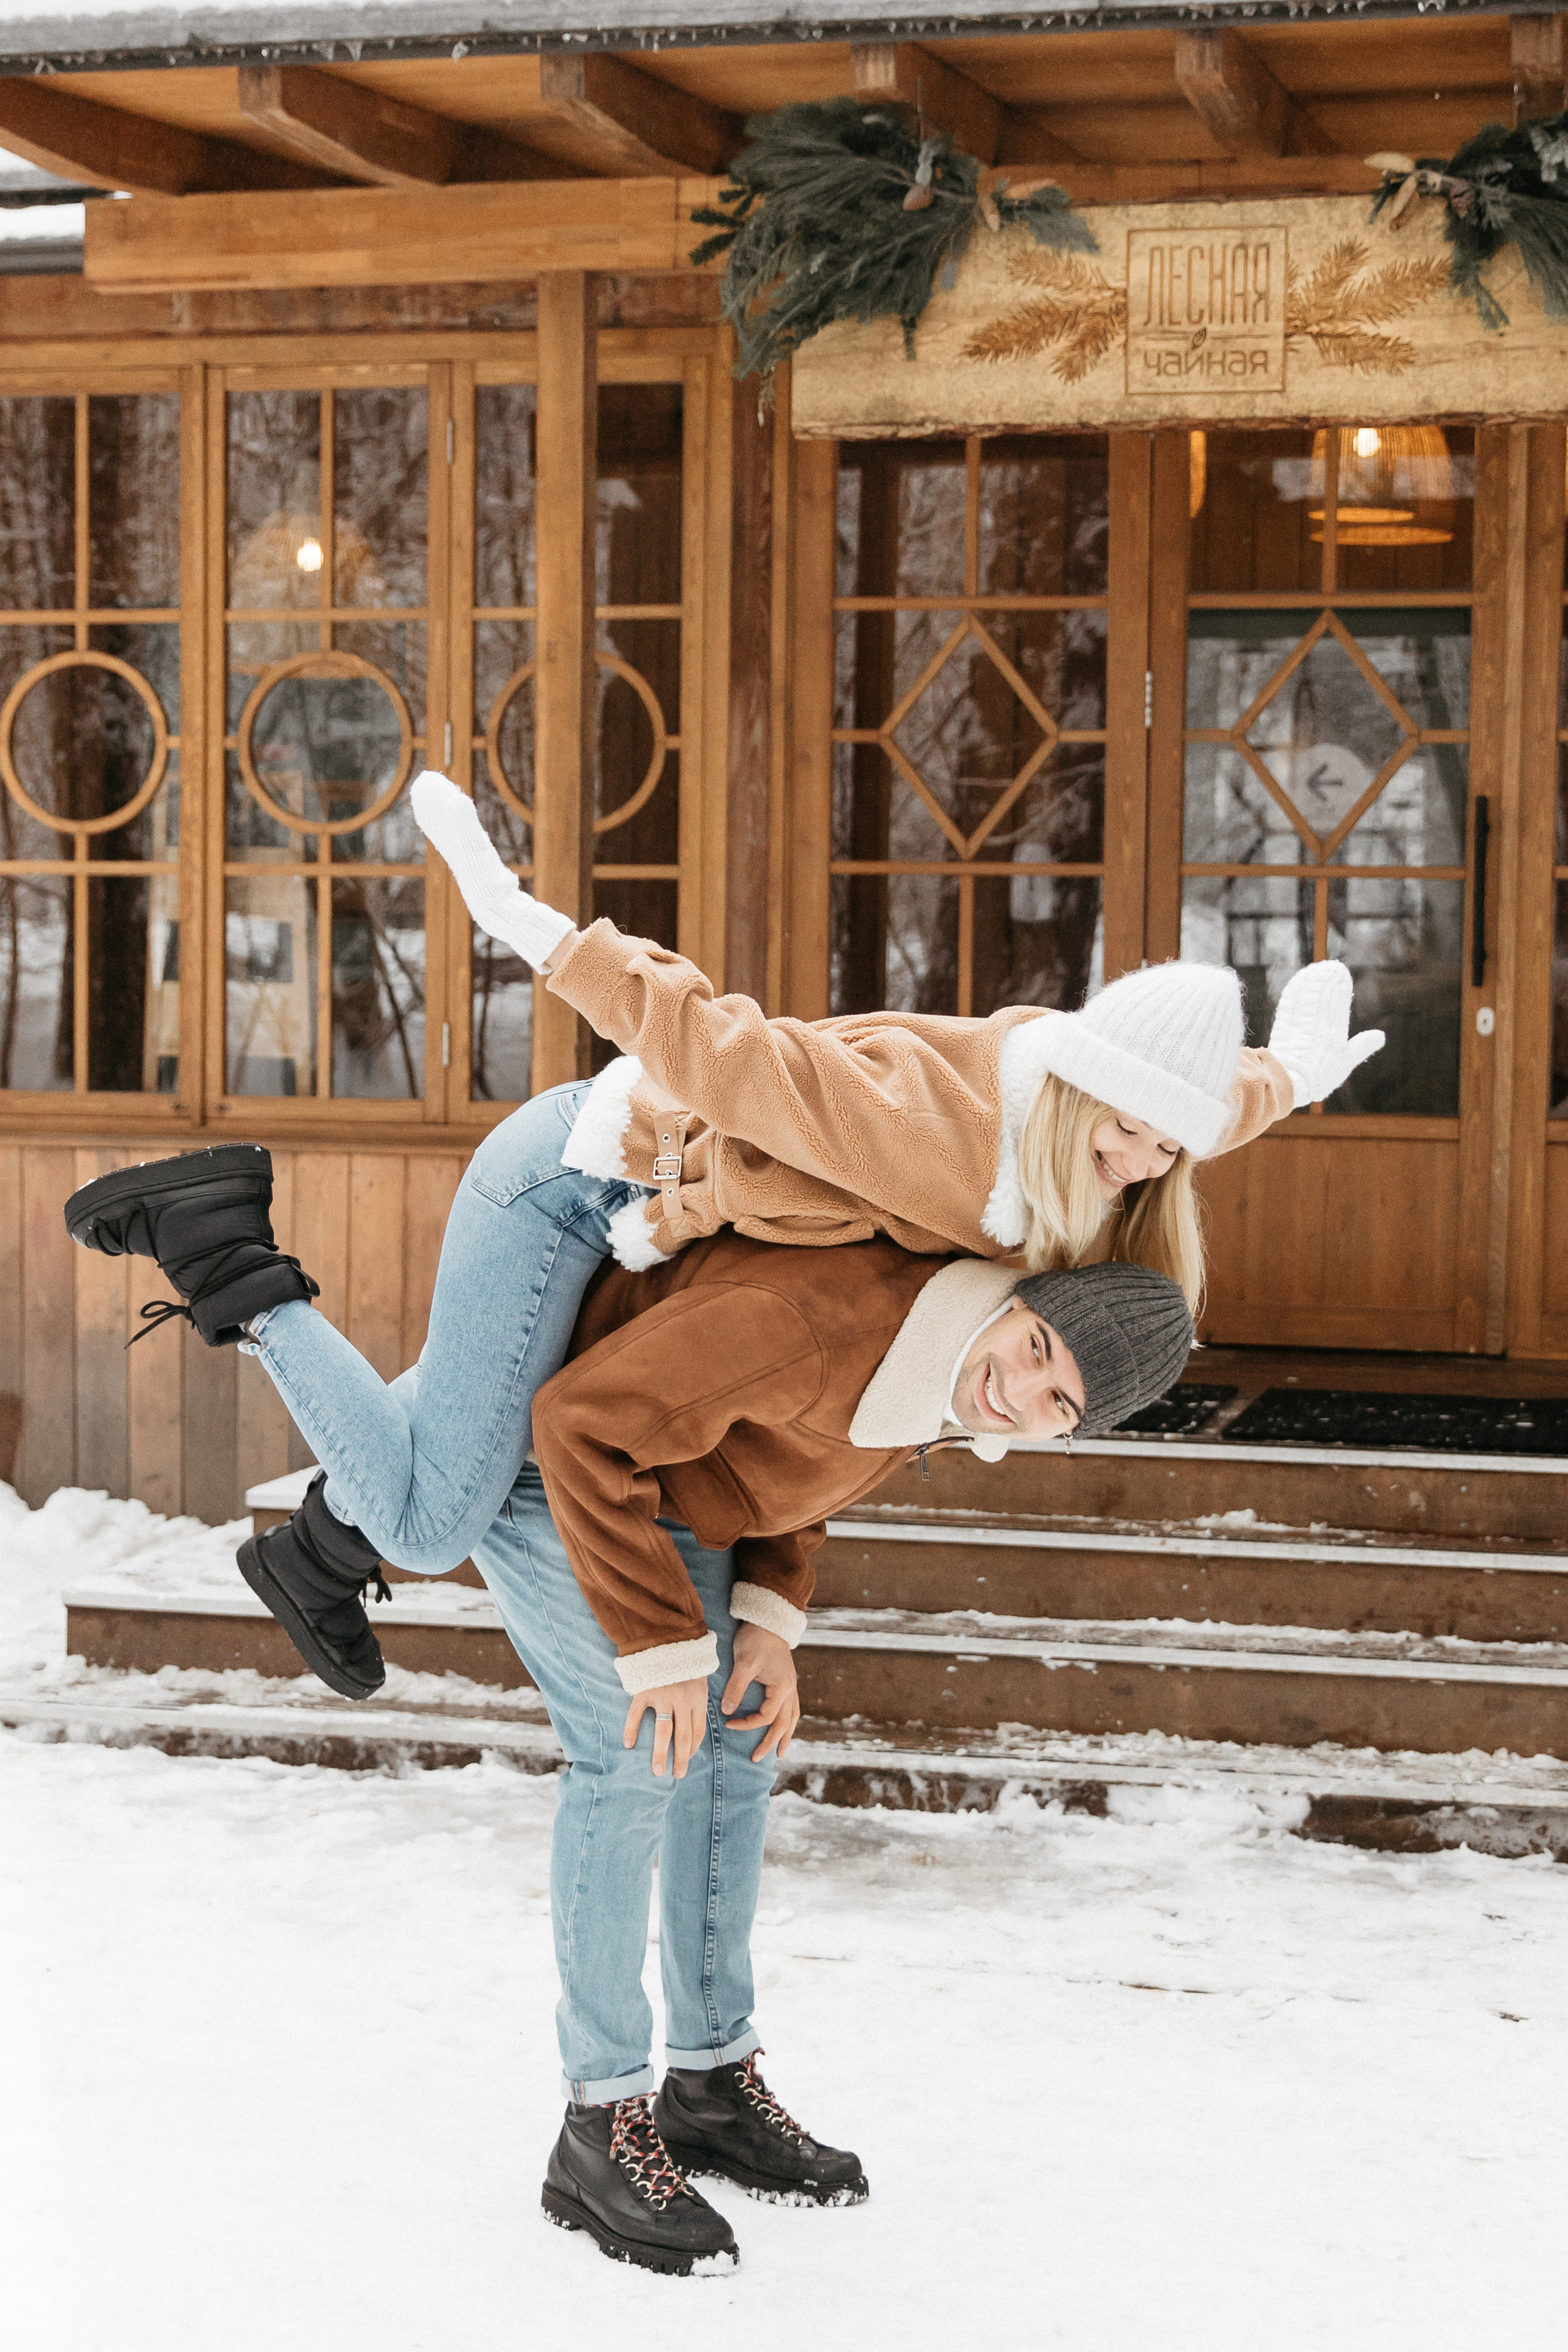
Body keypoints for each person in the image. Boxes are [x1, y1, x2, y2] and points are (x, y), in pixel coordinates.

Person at [69, 1139, 1193, 2272]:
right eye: (1038, 1347)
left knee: (735, 1741)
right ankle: (600, 2123)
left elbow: (809, 1453)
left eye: (1060, 1404)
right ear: (1017, 1302)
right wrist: (660, 1647)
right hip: (554, 1464)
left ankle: (710, 2083)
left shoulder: (948, 1367)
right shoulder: (831, 1320)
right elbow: (578, 1423)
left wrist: (768, 1618)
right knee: (627, 1745)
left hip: (661, 1484)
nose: (1024, 1390)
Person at [60, 772, 1383, 1629]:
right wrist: (539, 932)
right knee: (435, 1512)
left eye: (1173, 1148)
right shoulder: (930, 1135)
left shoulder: (1112, 1155)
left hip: (676, 1230)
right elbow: (734, 1055)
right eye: (1133, 1135)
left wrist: (1294, 1077)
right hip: (585, 1177)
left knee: (459, 1429)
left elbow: (1209, 1108)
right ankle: (219, 1238)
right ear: (1076, 1092)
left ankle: (312, 1557)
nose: (1149, 1163)